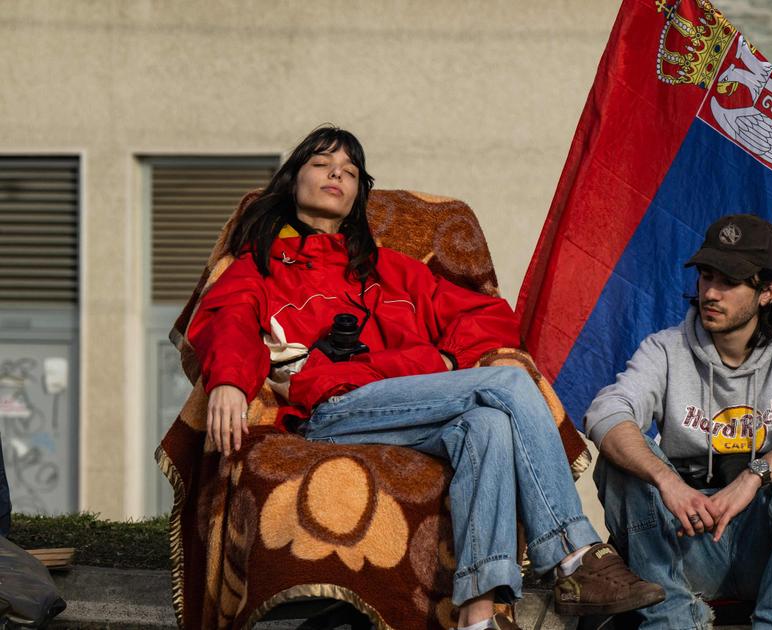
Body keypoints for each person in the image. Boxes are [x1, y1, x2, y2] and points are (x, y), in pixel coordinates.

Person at [188, 125, 664, 630]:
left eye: (349, 172)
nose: (337, 174)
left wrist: (453, 362)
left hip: (407, 406)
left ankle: (478, 617)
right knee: (506, 387)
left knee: (489, 426)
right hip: (330, 407)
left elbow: (483, 316)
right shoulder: (260, 267)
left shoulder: (395, 271)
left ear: (357, 196)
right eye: (323, 164)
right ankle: (573, 552)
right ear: (292, 181)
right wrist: (229, 381)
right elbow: (227, 320)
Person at [584, 214, 772, 629]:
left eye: (728, 282)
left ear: (767, 292)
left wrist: (752, 478)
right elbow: (606, 412)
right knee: (620, 460)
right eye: (706, 277)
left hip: (768, 546)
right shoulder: (665, 348)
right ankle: (673, 619)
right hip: (682, 544)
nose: (711, 293)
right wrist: (667, 480)